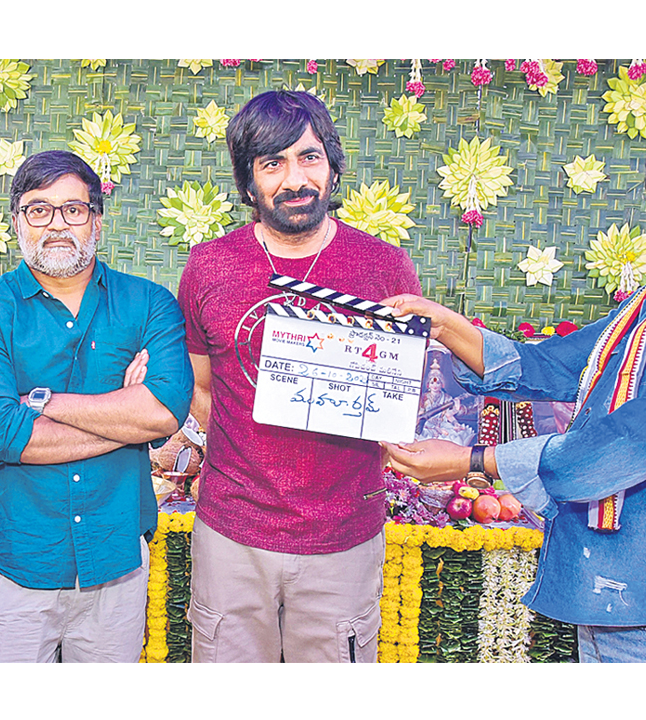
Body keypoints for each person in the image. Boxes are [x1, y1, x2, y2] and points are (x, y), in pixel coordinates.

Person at [381, 112, 646, 663]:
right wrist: (445, 326)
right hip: (620, 594)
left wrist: (471, 461)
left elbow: (632, 441)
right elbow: (555, 366)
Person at [178, 90, 422, 662]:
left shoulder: (384, 266)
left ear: (333, 166)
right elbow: (199, 386)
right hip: (233, 530)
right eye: (272, 163)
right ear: (248, 183)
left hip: (344, 534)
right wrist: (259, 430)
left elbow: (398, 392)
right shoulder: (209, 265)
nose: (295, 179)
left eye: (309, 157)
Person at [0, 150, 192, 663]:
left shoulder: (148, 304)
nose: (57, 224)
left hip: (116, 560)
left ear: (97, 221)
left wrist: (43, 403)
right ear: (17, 221)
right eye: (39, 210)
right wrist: (125, 419)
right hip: (20, 563)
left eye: (73, 210)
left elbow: (165, 412)